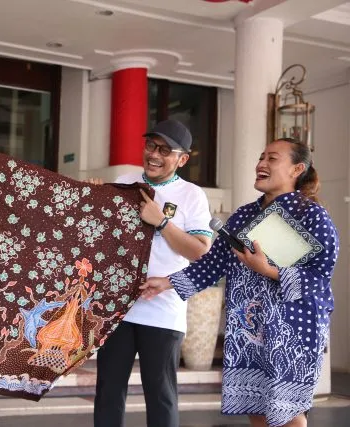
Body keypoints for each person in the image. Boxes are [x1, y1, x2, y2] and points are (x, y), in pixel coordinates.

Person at [141, 138, 339, 427]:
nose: (261, 163)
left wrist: (269, 270)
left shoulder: (311, 214)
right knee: (255, 406)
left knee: (288, 411)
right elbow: (213, 264)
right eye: (261, 157)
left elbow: (319, 277)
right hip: (249, 329)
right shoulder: (244, 214)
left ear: (297, 169)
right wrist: (167, 283)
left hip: (293, 330)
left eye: (272, 158)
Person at [92, 119, 213, 427]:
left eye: (165, 150)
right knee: (108, 392)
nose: (154, 154)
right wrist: (93, 201)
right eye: (151, 145)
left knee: (160, 395)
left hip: (163, 309)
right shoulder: (125, 180)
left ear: (182, 159)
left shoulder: (191, 195)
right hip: (119, 305)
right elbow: (105, 237)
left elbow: (200, 251)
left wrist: (161, 222)